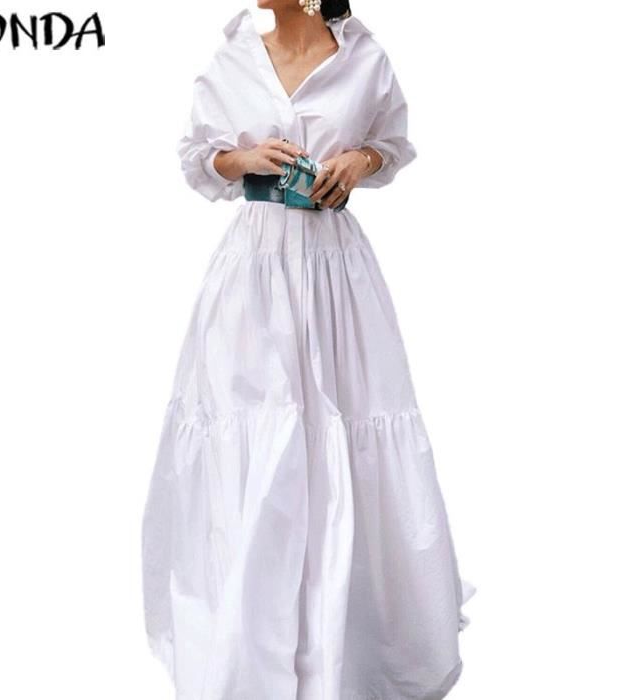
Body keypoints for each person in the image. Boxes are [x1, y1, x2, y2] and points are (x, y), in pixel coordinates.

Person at [141, 2, 475, 698]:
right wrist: (240, 159)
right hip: (253, 275)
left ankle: (343, 650)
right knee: (256, 438)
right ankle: (247, 650)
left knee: (344, 434)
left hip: (334, 274)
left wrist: (362, 158)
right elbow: (197, 158)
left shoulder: (366, 59)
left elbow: (393, 143)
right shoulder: (233, 56)